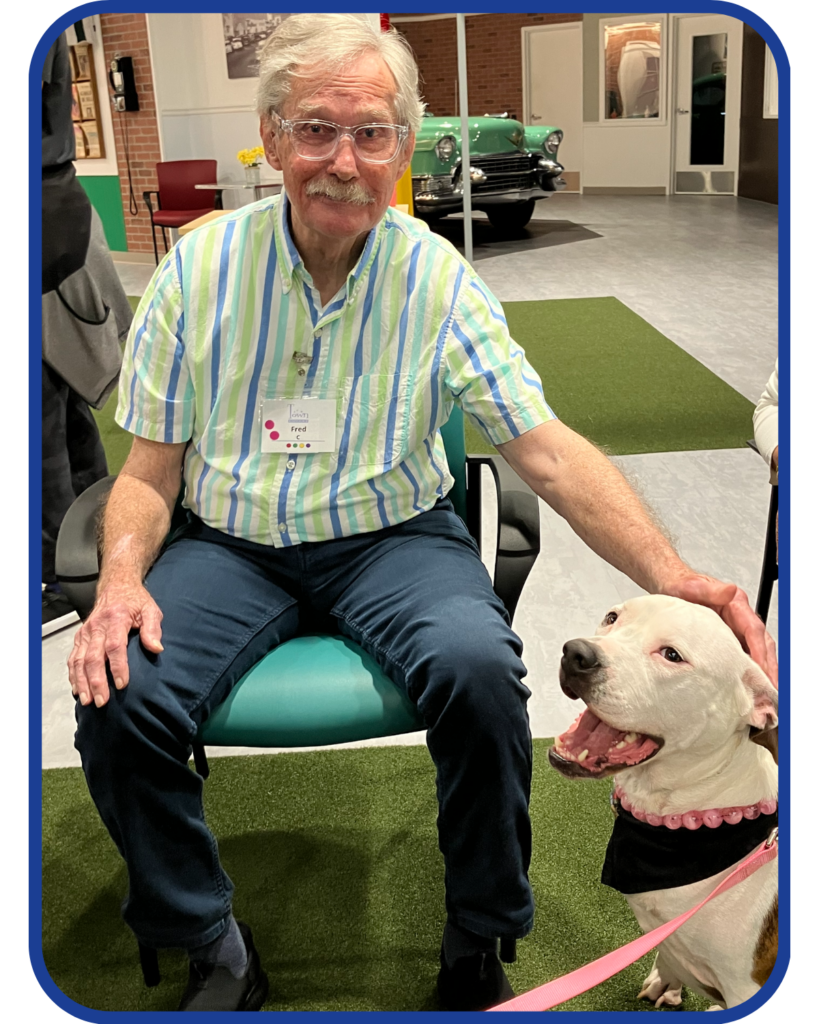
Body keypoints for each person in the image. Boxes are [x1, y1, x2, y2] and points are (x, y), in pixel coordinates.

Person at [68, 14, 776, 1012]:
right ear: (271, 137)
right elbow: (146, 473)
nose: (345, 162)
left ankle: (478, 931)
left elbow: (550, 451)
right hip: (231, 542)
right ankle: (208, 937)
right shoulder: (196, 271)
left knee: (481, 673)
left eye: (373, 133)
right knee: (118, 691)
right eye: (316, 129)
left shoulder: (438, 278)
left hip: (393, 538)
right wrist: (123, 582)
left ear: (406, 144)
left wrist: (674, 579)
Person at [42, 32, 132, 630]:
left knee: (44, 417)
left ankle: (58, 575)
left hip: (43, 215)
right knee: (65, 407)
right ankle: (86, 549)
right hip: (56, 209)